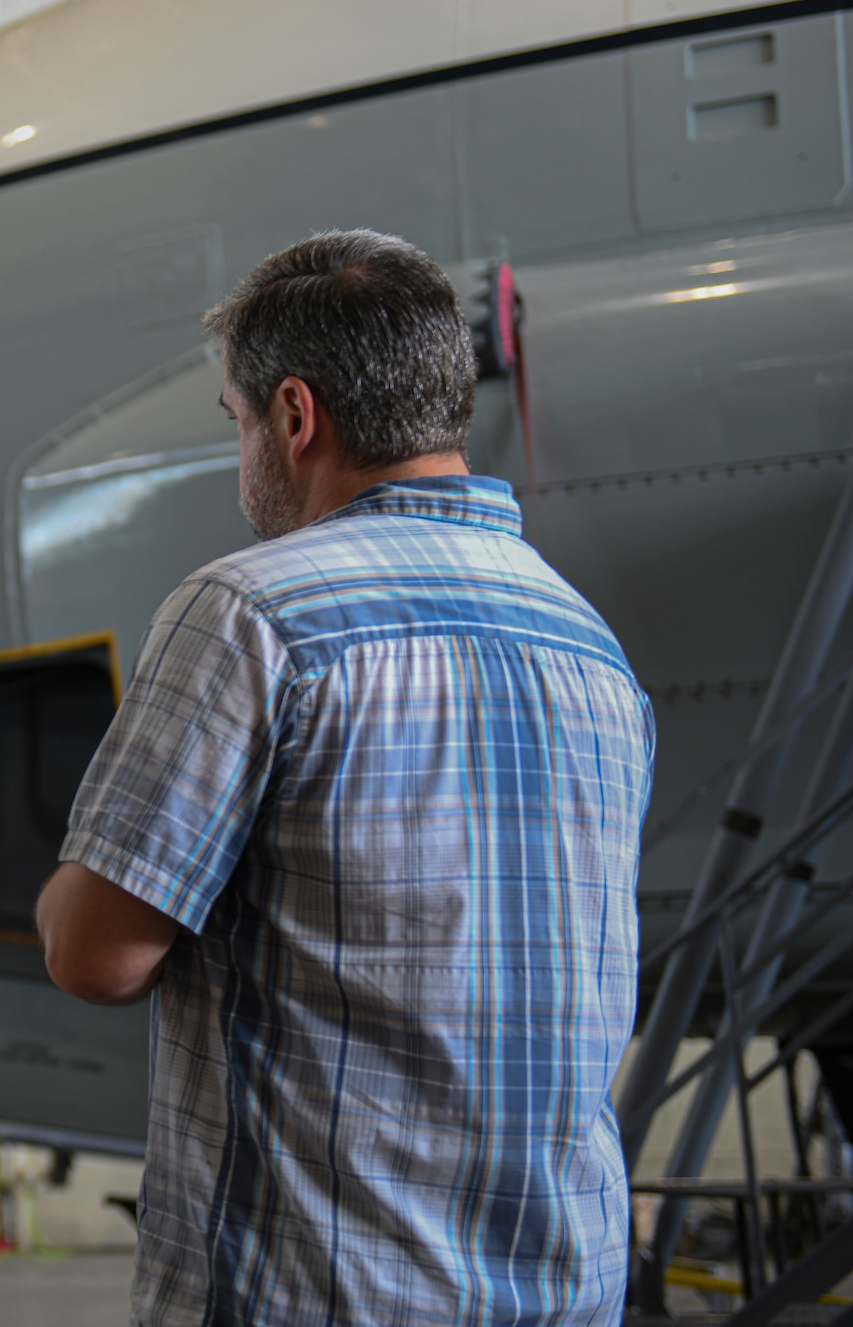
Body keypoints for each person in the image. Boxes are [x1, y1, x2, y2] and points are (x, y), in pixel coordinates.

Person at [36, 231, 651, 1325]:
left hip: (324, 1293)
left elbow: (95, 955)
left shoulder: (252, 611)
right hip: (565, 1291)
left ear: (292, 416)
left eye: (234, 423)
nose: (242, 459)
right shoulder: (588, 645)